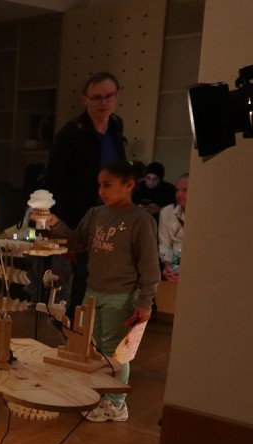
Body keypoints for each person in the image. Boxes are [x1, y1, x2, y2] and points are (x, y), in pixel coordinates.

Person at [46, 160, 160, 422]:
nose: (101, 191)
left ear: (128, 185)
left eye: (107, 185)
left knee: (114, 352)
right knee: (94, 349)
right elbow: (75, 242)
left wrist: (145, 301)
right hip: (93, 292)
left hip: (121, 296)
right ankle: (99, 395)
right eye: (99, 185)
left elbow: (149, 266)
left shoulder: (141, 220)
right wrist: (53, 221)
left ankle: (116, 404)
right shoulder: (96, 214)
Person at [45, 72, 127, 319]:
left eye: (109, 96)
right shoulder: (71, 134)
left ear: (117, 96)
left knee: (105, 279)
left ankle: (94, 328)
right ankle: (73, 329)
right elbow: (55, 180)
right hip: (80, 218)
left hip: (111, 216)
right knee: (81, 280)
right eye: (97, 97)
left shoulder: (116, 126)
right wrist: (63, 225)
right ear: (85, 99)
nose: (104, 102)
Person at [158, 173, 188, 283]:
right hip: (177, 259)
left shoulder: (205, 214)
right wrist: (169, 268)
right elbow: (165, 245)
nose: (179, 194)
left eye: (185, 190)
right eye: (177, 190)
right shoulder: (167, 212)